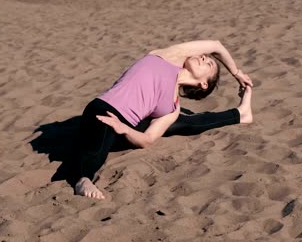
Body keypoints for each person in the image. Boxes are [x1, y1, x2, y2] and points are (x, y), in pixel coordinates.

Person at [70, 40, 253, 199]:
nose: (204, 57)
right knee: (102, 127)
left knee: (183, 121)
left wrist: (125, 129)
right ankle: (84, 178)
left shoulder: (173, 108)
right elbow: (216, 45)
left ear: (203, 84)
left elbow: (148, 139)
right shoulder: (169, 57)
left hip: (126, 128)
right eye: (205, 57)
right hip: (104, 108)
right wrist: (237, 73)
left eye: (209, 64)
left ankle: (240, 113)